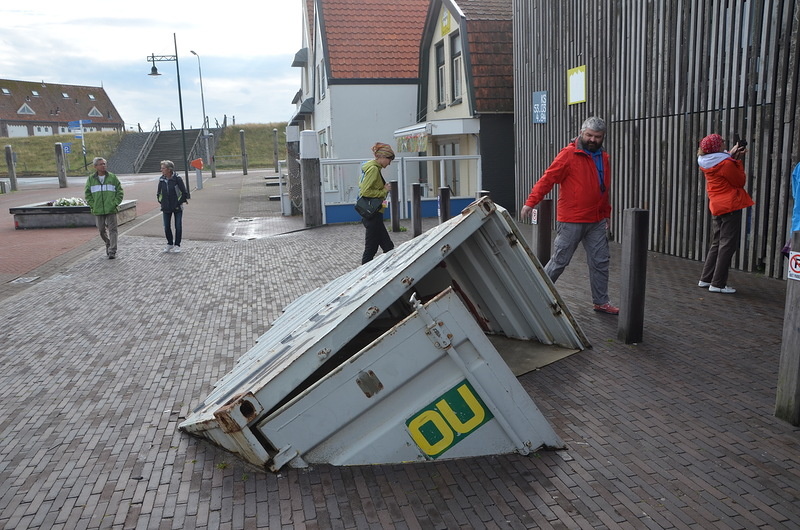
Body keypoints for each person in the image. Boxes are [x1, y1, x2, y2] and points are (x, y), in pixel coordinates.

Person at [520, 116, 619, 314]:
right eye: (589, 135)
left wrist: (606, 213)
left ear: (603, 137)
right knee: (560, 260)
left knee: (600, 261)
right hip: (571, 219)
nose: (593, 140)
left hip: (596, 220)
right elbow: (547, 179)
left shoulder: (604, 157)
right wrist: (531, 202)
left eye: (597, 137)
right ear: (582, 133)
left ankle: (601, 301)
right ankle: (538, 295)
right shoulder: (568, 155)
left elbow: (604, 189)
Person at [696, 134, 754, 293]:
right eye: (721, 142)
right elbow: (740, 181)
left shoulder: (707, 161)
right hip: (730, 205)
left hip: (717, 204)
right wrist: (737, 162)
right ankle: (718, 284)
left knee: (717, 242)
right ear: (716, 147)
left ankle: (706, 279)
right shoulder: (726, 164)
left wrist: (732, 155)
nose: (723, 142)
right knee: (727, 244)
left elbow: (722, 159)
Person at [358, 142, 395, 264]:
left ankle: (386, 273)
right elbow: (365, 191)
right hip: (373, 216)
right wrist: (383, 191)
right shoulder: (373, 169)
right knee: (372, 249)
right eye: (389, 159)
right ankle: (364, 277)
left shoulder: (372, 168)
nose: (389, 163)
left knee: (386, 247)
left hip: (374, 215)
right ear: (383, 157)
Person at [84, 157, 124, 259]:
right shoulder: (91, 179)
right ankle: (108, 243)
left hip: (110, 209)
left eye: (105, 164)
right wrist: (93, 204)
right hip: (98, 209)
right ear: (95, 166)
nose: (104, 166)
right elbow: (88, 194)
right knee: (101, 230)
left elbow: (120, 191)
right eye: (101, 164)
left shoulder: (112, 177)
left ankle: (112, 251)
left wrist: (114, 203)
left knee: (113, 230)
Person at [157, 160, 189, 253]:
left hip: (177, 207)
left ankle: (177, 244)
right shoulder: (161, 179)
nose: (161, 170)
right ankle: (170, 243)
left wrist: (178, 203)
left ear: (169, 169)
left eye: (163, 168)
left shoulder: (177, 179)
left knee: (178, 226)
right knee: (166, 226)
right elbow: (159, 193)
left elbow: (184, 193)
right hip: (166, 207)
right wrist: (161, 201)